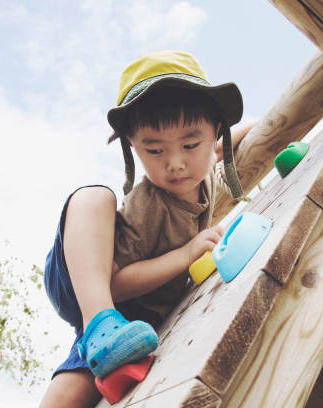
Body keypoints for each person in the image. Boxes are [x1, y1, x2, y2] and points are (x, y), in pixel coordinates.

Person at [39, 50, 251, 408]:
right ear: (133, 149)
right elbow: (114, 282)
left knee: (80, 387)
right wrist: (185, 255)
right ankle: (98, 324)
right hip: (91, 286)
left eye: (190, 144)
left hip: (139, 318)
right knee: (94, 197)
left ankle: (102, 339)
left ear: (215, 131)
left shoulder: (205, 173)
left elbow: (219, 151)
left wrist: (260, 129)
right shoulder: (149, 204)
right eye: (154, 150)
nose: (176, 163)